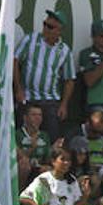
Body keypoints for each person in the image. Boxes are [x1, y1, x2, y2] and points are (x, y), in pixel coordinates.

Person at [14, 10, 73, 145]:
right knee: (21, 137)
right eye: (45, 24)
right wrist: (18, 89)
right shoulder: (30, 39)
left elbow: (70, 79)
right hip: (28, 98)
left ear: (60, 30)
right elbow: (15, 61)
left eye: (50, 27)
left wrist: (64, 104)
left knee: (51, 139)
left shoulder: (64, 50)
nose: (45, 28)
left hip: (50, 101)